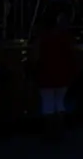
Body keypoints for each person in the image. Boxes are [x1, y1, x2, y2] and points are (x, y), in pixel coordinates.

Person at [32, 10, 76, 139]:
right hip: (62, 75)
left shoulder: (41, 39)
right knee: (60, 102)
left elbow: (35, 57)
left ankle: (49, 132)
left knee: (47, 103)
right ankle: (60, 130)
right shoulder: (66, 38)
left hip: (46, 75)